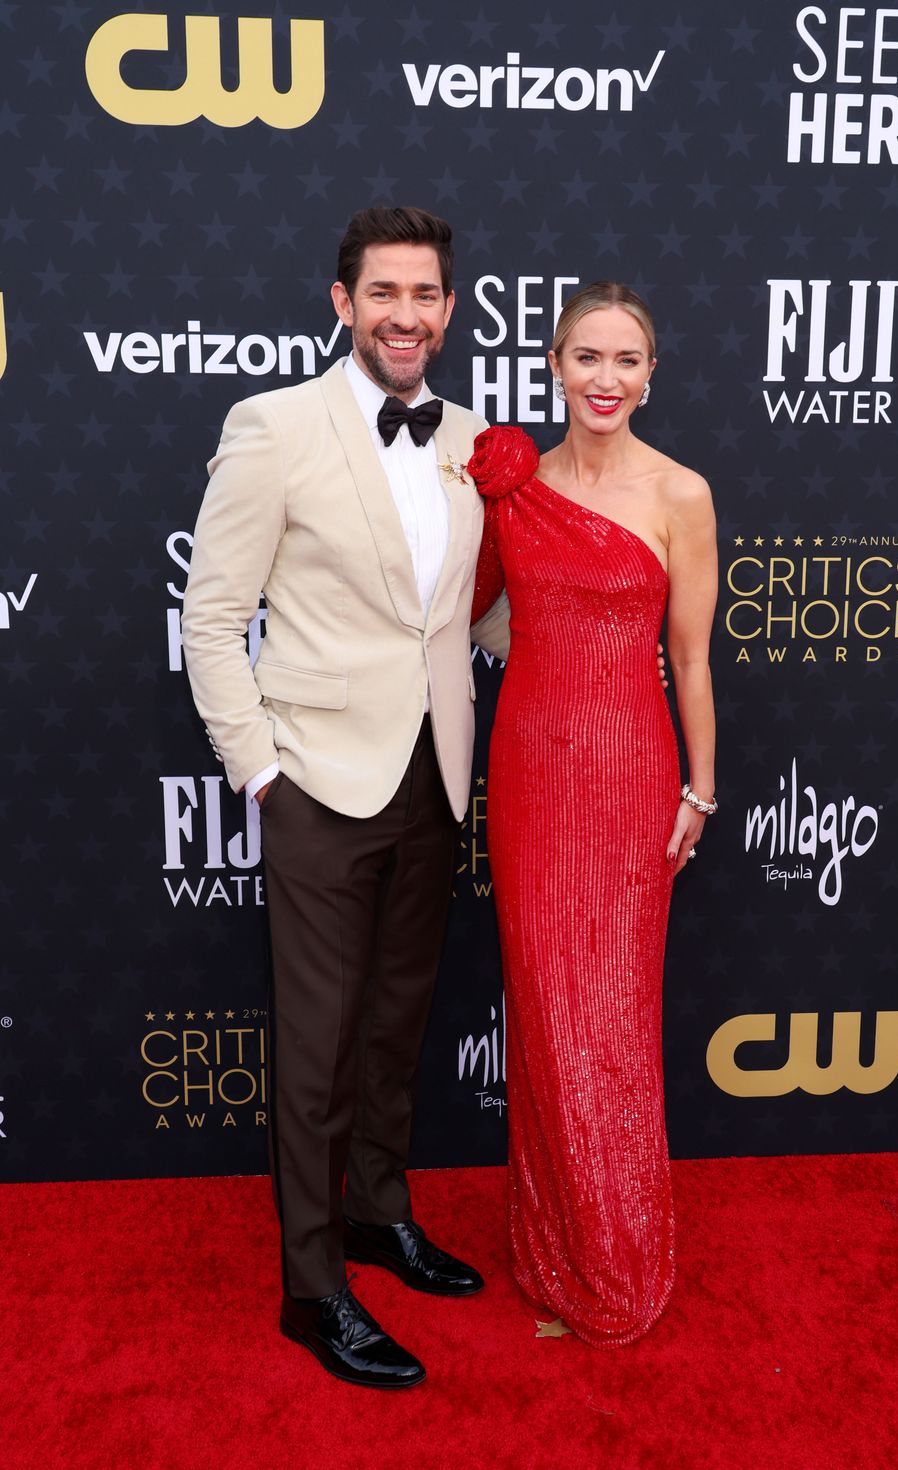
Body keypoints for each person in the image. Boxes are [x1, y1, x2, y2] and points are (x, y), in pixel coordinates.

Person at [181, 206, 513, 1390]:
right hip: (316, 778)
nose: (403, 316)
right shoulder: (273, 425)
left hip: (434, 774)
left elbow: (473, 614)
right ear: (342, 304)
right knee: (317, 1043)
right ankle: (312, 1285)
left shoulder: (471, 439)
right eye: (383, 293)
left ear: (450, 310)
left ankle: (378, 1212)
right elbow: (211, 618)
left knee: (395, 1022)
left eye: (424, 295)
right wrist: (259, 771)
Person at [468, 281, 718, 1346]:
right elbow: (469, 614)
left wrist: (699, 788)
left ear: (650, 375)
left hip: (629, 775)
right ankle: (552, 1241)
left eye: (626, 360)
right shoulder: (514, 488)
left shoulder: (681, 493)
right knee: (542, 1007)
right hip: (530, 769)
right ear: (554, 367)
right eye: (586, 357)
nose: (605, 378)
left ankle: (616, 1254)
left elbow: (691, 659)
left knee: (610, 1015)